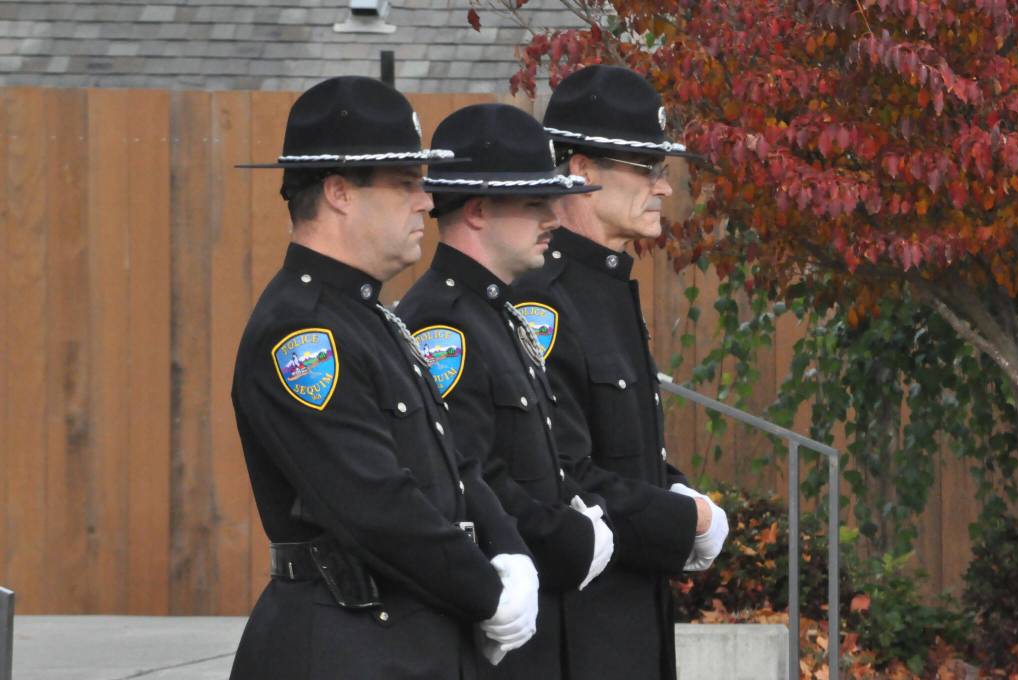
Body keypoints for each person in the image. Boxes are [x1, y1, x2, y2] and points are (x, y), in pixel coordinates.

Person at [230, 76, 539, 680]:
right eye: (404, 184)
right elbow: (374, 505)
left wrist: (513, 555)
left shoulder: (373, 318)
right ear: (340, 191)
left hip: (406, 640)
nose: (426, 200)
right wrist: (489, 592)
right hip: (345, 645)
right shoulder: (301, 333)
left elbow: (454, 467)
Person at [513, 65, 730, 680]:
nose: (663, 188)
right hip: (577, 632)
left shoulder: (605, 286)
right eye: (646, 169)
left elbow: (623, 448)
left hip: (631, 619)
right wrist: (688, 520)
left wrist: (676, 486)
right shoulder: (543, 301)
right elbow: (559, 472)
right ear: (580, 171)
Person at [396, 103, 614, 678]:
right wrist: (568, 539)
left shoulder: (497, 312)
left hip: (539, 618)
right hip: (496, 627)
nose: (553, 216)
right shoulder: (442, 324)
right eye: (534, 202)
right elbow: (469, 475)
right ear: (478, 210)